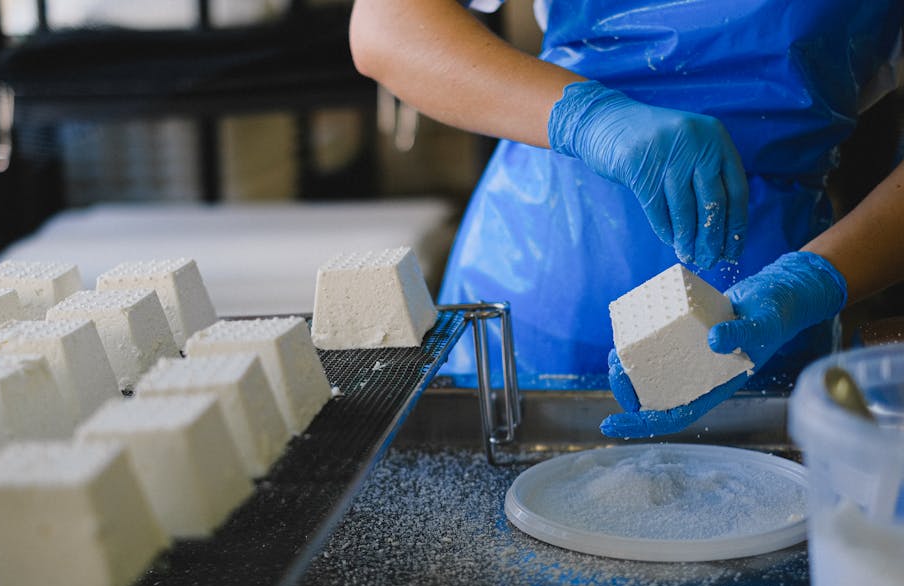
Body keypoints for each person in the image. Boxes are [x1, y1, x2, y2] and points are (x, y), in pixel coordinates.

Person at [348, 0, 904, 436]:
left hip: (758, 318)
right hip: (537, 284)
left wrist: (811, 282)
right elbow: (385, 26)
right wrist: (586, 117)